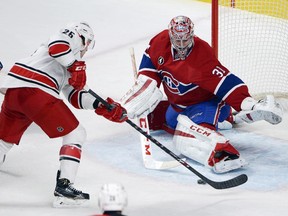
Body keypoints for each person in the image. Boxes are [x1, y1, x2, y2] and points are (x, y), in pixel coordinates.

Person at [120, 15, 283, 173]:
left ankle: (224, 154)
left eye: (186, 40)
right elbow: (149, 74)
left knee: (188, 135)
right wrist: (128, 103)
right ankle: (229, 119)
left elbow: (227, 83)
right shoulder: (159, 43)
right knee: (157, 117)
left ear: (192, 35)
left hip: (206, 104)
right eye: (178, 40)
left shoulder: (202, 55)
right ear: (170, 36)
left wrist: (250, 103)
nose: (182, 45)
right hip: (178, 106)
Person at [0, 21, 128, 207]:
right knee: (76, 134)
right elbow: (57, 46)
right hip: (37, 91)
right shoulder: (72, 36)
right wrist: (75, 65)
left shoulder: (69, 62)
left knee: (3, 139)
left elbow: (74, 96)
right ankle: (64, 190)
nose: (85, 52)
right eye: (87, 46)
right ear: (84, 38)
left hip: (15, 91)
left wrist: (102, 106)